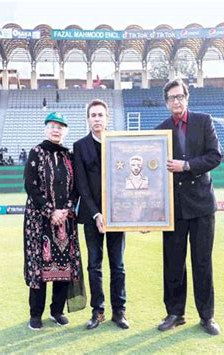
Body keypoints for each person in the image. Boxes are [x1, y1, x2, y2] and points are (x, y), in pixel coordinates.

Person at [155, 79, 222, 335]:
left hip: (202, 204)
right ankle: (175, 313)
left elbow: (215, 156)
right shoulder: (160, 130)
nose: (176, 101)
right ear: (166, 102)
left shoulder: (204, 121)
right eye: (171, 98)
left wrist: (187, 166)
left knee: (202, 262)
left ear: (187, 97)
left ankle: (207, 317)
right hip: (173, 207)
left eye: (180, 96)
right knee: (173, 262)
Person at [23, 112, 85, 330]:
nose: (56, 130)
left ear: (65, 131)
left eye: (60, 127)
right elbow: (31, 186)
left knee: (63, 267)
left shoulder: (69, 155)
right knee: (39, 268)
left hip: (65, 221)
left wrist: (66, 209)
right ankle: (35, 314)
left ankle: (56, 311)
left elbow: (77, 187)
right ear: (46, 129)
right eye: (52, 126)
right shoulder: (36, 153)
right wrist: (51, 211)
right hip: (39, 221)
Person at [73, 99, 129, 330]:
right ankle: (98, 311)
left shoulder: (120, 144)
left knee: (118, 265)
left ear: (107, 119)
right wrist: (96, 214)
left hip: (118, 215)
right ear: (88, 119)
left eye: (100, 115)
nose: (97, 119)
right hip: (91, 216)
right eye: (93, 115)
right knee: (94, 265)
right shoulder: (79, 146)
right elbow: (82, 186)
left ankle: (120, 311)